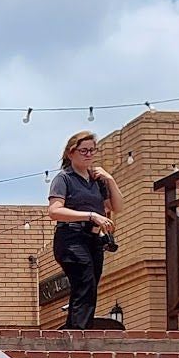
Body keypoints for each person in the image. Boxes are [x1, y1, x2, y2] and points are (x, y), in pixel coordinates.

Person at [47, 129, 120, 329]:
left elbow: (117, 207)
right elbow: (54, 211)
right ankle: (81, 332)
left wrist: (110, 179)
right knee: (85, 281)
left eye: (92, 150)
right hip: (71, 237)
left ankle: (73, 330)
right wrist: (91, 215)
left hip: (94, 239)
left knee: (89, 285)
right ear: (71, 153)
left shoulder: (97, 180)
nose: (88, 154)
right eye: (83, 150)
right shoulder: (64, 179)